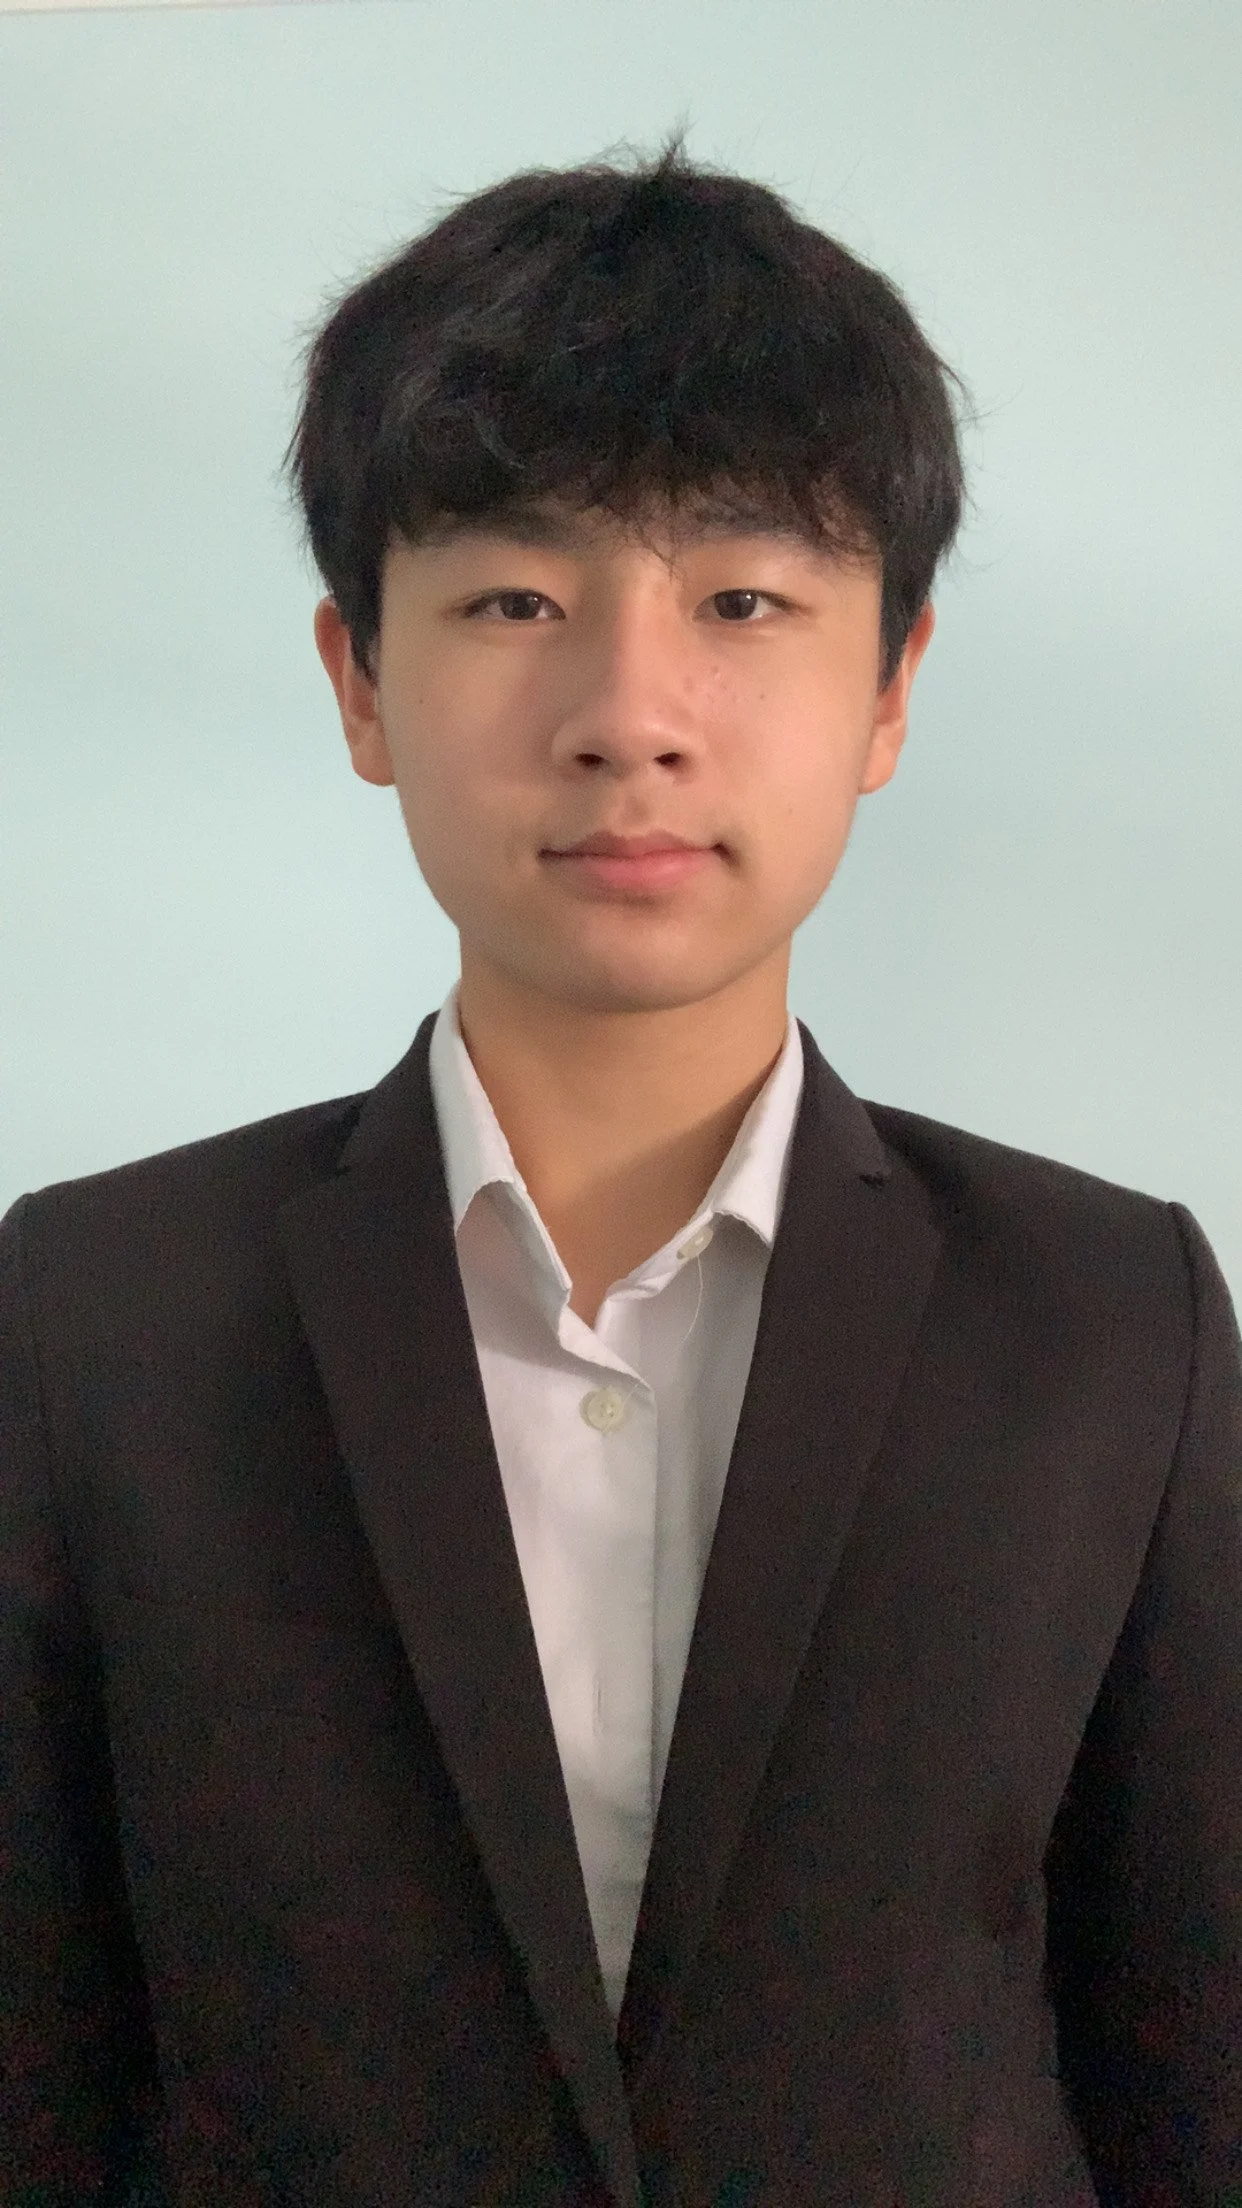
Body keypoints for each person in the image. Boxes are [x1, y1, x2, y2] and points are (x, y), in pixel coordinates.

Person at [1, 128, 1239, 2208]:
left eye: (746, 598)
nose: (627, 711)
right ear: (359, 682)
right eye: (511, 596)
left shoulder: (1114, 1318)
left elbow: (1191, 2064)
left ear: (892, 691)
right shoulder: (97, 1308)